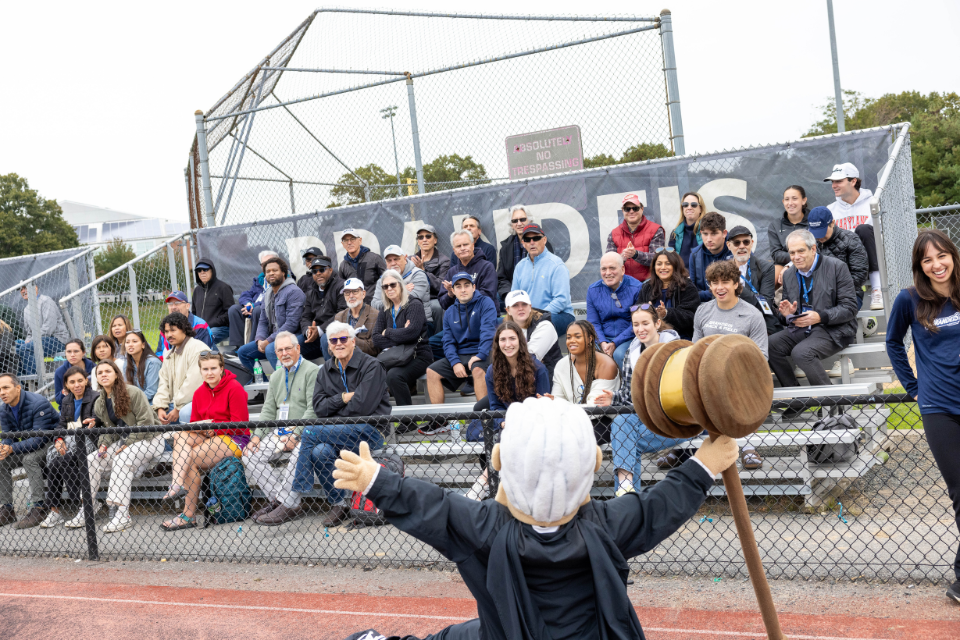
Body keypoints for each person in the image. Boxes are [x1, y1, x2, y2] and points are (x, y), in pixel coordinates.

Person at [332, 397, 739, 640]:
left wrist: (376, 482)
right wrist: (703, 465)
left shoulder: (485, 527)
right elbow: (659, 508)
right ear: (594, 463)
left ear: (499, 462)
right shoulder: (605, 524)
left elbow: (433, 506)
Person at [886, 229, 960, 604]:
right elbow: (892, 342)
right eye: (927, 260)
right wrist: (914, 387)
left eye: (941, 255)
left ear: (952, 255)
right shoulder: (909, 299)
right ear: (920, 266)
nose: (936, 264)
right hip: (939, 408)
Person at [291, 321, 390, 527]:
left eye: (344, 339)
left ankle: (299, 486)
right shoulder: (325, 370)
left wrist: (333, 409)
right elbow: (319, 408)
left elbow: (363, 408)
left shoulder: (372, 366)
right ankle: (340, 504)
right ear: (328, 345)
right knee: (319, 451)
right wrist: (344, 398)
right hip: (335, 434)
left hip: (371, 432)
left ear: (353, 342)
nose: (339, 343)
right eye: (333, 340)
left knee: (309, 431)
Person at [594, 304, 691, 494]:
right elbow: (629, 396)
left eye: (645, 323)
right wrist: (613, 398)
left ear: (657, 323)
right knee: (622, 421)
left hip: (679, 420)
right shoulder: (632, 352)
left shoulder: (677, 351)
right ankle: (626, 487)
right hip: (645, 419)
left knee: (626, 443)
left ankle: (626, 499)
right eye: (636, 325)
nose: (640, 329)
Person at [692, 260, 767, 470]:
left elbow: (761, 357)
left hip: (740, 377)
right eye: (714, 283)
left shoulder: (753, 315)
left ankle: (748, 448)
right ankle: (682, 448)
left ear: (736, 284)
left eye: (725, 282)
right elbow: (694, 349)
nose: (719, 288)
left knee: (740, 390)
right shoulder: (702, 311)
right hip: (707, 377)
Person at [161, 351, 250, 531]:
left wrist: (213, 429)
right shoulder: (200, 392)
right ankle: (177, 484)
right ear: (200, 371)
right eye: (205, 369)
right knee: (180, 435)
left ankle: (188, 514)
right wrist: (202, 429)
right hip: (210, 436)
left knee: (190, 459)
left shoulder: (234, 387)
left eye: (213, 368)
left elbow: (240, 424)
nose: (209, 373)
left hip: (235, 437)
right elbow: (195, 423)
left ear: (221, 369)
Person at [67, 360, 158, 533]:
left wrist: (127, 443)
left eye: (108, 371)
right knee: (92, 459)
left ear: (116, 374)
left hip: (150, 439)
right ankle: (89, 507)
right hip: (126, 441)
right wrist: (103, 445)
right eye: (100, 372)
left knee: (121, 459)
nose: (103, 374)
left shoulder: (133, 392)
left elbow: (147, 423)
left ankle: (122, 514)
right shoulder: (100, 402)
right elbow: (111, 430)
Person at [464, 322, 551, 501]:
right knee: (506, 432)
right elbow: (495, 407)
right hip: (507, 423)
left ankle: (483, 482)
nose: (508, 344)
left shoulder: (538, 369)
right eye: (503, 339)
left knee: (508, 434)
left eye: (512, 338)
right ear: (497, 343)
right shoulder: (492, 371)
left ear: (520, 341)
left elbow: (543, 405)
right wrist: (503, 421)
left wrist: (517, 421)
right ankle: (499, 486)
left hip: (533, 423)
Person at [243, 331, 318, 526]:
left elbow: (313, 409)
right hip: (279, 432)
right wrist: (257, 437)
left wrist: (296, 434)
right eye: (279, 350)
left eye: (288, 348)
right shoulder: (276, 375)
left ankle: (285, 504)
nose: (284, 353)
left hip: (305, 431)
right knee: (250, 454)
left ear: (298, 348)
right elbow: (268, 411)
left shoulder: (312, 371)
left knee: (298, 454)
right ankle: (281, 502)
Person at [768, 230, 859, 389]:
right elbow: (787, 311)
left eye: (801, 251)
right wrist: (787, 314)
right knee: (770, 345)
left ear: (813, 249)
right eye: (792, 252)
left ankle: (832, 407)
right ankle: (797, 397)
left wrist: (821, 316)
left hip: (834, 329)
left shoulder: (837, 267)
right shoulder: (789, 274)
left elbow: (850, 308)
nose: (796, 257)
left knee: (801, 353)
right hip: (802, 327)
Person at [425, 273, 497, 414]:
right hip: (461, 354)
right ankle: (440, 421)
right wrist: (455, 362)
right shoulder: (450, 311)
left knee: (477, 370)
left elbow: (488, 332)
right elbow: (448, 341)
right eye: (458, 286)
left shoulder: (485, 302)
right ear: (452, 290)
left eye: (466, 285)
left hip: (485, 351)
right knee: (431, 371)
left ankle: (486, 421)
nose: (463, 290)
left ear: (473, 287)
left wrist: (480, 355)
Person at [39, 365, 98, 529]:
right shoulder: (67, 400)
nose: (77, 385)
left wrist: (70, 437)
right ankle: (59, 511)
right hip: (70, 441)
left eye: (80, 380)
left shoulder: (95, 397)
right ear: (66, 385)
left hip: (88, 441)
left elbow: (95, 424)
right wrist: (58, 439)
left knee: (61, 461)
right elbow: (61, 425)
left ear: (86, 381)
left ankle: (81, 508)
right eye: (72, 382)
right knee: (57, 461)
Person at [0, 373, 57, 529]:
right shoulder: (4, 409)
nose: (2, 392)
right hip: (28, 444)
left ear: (18, 388)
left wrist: (12, 448)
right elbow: (8, 436)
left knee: (29, 459)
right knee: (1, 461)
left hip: (52, 444)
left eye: (6, 387)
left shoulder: (38, 403)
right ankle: (7, 509)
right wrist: (4, 447)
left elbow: (40, 439)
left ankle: (39, 507)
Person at [371, 270, 434, 407]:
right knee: (371, 371)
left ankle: (407, 419)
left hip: (418, 355)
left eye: (392, 285)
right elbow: (375, 338)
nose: (389, 289)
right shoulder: (385, 309)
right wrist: (401, 333)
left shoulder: (414, 304)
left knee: (394, 376)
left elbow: (411, 333)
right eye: (385, 286)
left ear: (401, 285)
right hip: (395, 355)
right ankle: (377, 419)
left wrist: (387, 332)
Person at [825, 162, 883, 310]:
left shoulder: (873, 203)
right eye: (833, 182)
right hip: (844, 262)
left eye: (839, 181)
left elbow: (882, 236)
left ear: (853, 181)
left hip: (870, 258)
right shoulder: (830, 210)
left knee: (864, 229)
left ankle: (877, 289)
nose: (834, 185)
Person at [238, 255, 305, 372]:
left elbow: (292, 325)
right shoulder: (268, 294)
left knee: (270, 349)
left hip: (293, 336)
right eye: (268, 271)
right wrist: (259, 340)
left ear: (284, 273)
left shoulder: (294, 292)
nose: (271, 273)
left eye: (275, 270)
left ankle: (287, 381)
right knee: (243, 352)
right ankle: (270, 384)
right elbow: (263, 321)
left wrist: (268, 340)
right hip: (273, 338)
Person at [511, 223, 574, 336]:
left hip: (560, 315)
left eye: (536, 238)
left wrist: (537, 316)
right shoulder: (520, 267)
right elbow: (514, 298)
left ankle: (533, 353)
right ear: (523, 243)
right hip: (529, 316)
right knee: (502, 324)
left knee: (542, 325)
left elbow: (561, 300)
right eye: (527, 239)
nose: (532, 242)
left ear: (544, 240)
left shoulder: (557, 265)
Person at [586, 252, 643, 369]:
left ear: (622, 269)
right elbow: (593, 322)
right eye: (604, 269)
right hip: (602, 338)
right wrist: (602, 342)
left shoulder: (636, 288)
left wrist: (615, 343)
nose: (608, 273)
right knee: (586, 354)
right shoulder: (593, 290)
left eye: (612, 268)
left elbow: (637, 323)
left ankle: (625, 387)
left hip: (628, 338)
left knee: (619, 354)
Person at [633, 249, 701, 340]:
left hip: (679, 337)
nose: (663, 267)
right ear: (654, 267)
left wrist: (666, 314)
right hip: (650, 337)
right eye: (659, 264)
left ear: (676, 266)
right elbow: (637, 313)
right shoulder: (647, 287)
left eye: (668, 263)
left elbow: (691, 317)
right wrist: (647, 312)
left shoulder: (687, 286)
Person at [152, 312, 206, 426]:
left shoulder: (197, 348)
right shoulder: (169, 354)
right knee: (151, 414)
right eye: (166, 331)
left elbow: (193, 384)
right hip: (176, 404)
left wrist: (178, 408)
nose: (169, 335)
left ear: (184, 329)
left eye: (173, 330)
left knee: (184, 412)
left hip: (197, 403)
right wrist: (160, 407)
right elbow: (164, 383)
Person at [549, 320, 620, 405]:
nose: (572, 340)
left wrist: (561, 405)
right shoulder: (562, 365)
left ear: (590, 338)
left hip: (603, 417)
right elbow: (557, 399)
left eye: (577, 337)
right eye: (568, 337)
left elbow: (596, 409)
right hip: (570, 416)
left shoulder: (606, 365)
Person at [727, 225, 781, 335]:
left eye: (746, 242)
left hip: (760, 322)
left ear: (751, 243)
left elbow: (765, 305)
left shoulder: (766, 267)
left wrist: (737, 286)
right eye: (737, 243)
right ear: (729, 245)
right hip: (731, 321)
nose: (742, 246)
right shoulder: (723, 269)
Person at [496, 205, 554, 305]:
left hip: (538, 293)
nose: (519, 223)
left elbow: (548, 274)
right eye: (515, 221)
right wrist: (510, 294)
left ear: (530, 221)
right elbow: (502, 277)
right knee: (496, 298)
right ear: (511, 225)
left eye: (522, 219)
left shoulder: (542, 244)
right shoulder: (505, 248)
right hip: (513, 293)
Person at [225, 250, 279, 353]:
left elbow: (274, 298)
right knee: (234, 309)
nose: (266, 266)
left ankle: (254, 346)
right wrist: (248, 304)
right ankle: (239, 347)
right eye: (263, 264)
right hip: (253, 307)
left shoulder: (281, 277)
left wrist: (254, 306)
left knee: (258, 310)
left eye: (269, 262)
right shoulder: (260, 279)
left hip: (270, 311)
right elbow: (246, 294)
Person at [605, 193, 664, 282]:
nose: (631, 211)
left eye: (635, 208)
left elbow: (658, 259)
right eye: (627, 209)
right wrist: (621, 258)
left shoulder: (656, 230)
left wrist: (636, 254)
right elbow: (608, 263)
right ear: (622, 211)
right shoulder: (614, 233)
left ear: (642, 209)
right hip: (623, 284)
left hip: (649, 283)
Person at [503, 290, 562, 379]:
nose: (520, 308)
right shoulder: (506, 329)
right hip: (521, 377)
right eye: (515, 305)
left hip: (548, 379)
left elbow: (529, 359)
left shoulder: (545, 326)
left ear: (530, 307)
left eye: (524, 304)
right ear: (508, 310)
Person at [15, 283, 69, 378]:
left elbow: (49, 327)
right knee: (15, 346)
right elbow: (29, 333)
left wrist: (31, 340)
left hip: (56, 339)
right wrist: (29, 340)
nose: (23, 291)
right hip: (37, 340)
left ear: (35, 288)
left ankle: (37, 380)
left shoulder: (46, 301)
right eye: (21, 290)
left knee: (24, 349)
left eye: (25, 288)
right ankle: (24, 383)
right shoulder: (26, 310)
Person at [371, 245, 432, 327]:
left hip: (419, 322)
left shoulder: (418, 274)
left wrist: (390, 294)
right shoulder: (382, 280)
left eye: (396, 259)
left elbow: (411, 301)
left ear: (405, 258)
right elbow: (374, 304)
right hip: (390, 323)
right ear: (385, 263)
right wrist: (403, 290)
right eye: (389, 261)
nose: (393, 263)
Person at [300, 255, 347, 361]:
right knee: (292, 345)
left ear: (330, 270)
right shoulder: (311, 291)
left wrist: (320, 329)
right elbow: (305, 317)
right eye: (314, 271)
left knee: (326, 339)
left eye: (322, 269)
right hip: (315, 335)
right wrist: (308, 332)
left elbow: (342, 313)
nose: (318, 273)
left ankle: (333, 375)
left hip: (337, 331)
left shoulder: (341, 286)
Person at [439, 230, 498, 310]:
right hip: (459, 316)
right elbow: (443, 304)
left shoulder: (487, 267)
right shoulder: (452, 272)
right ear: (454, 251)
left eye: (465, 244)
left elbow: (487, 296)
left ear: (473, 245)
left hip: (483, 314)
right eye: (458, 246)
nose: (462, 248)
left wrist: (458, 292)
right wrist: (450, 293)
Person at [324, 279, 379, 359]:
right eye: (347, 293)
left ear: (363, 294)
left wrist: (349, 340)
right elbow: (330, 348)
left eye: (355, 291)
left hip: (364, 362)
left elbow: (375, 348)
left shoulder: (375, 315)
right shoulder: (339, 316)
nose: (351, 296)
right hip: (342, 360)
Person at [410, 223, 449, 335]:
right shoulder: (410, 260)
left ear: (435, 240)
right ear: (418, 241)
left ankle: (438, 341)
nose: (424, 239)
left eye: (428, 236)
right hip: (414, 297)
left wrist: (423, 271)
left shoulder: (444, 261)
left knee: (437, 307)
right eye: (421, 237)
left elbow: (441, 286)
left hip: (433, 298)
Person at [768, 185, 810, 285]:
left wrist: (793, 263)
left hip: (809, 261)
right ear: (783, 202)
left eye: (794, 198)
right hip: (783, 264)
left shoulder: (813, 221)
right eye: (787, 199)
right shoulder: (775, 225)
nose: (790, 203)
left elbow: (816, 250)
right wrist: (792, 260)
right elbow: (776, 254)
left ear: (803, 201)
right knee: (771, 277)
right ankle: (769, 301)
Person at [687, 212, 733, 301]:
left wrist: (703, 294)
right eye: (705, 234)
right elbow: (692, 292)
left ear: (724, 233)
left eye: (714, 234)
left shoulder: (735, 251)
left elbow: (737, 289)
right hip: (704, 306)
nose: (709, 239)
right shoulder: (695, 255)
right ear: (701, 233)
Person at [192, 258, 235, 346]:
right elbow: (194, 313)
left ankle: (217, 359)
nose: (202, 272)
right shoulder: (197, 291)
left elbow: (230, 313)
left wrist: (211, 323)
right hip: (201, 328)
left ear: (212, 271)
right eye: (199, 270)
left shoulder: (223, 288)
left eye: (205, 269)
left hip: (221, 328)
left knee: (205, 337)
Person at [337, 229, 387, 303]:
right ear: (343, 244)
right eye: (346, 240)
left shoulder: (374, 258)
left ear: (360, 240)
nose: (349, 243)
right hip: (355, 308)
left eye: (352, 239)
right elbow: (342, 290)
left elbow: (387, 280)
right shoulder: (343, 266)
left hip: (375, 307)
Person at [156, 291, 213, 355]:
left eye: (177, 303)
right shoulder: (166, 327)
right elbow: (160, 353)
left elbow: (204, 355)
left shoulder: (200, 326)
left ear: (187, 306)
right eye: (170, 304)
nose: (173, 307)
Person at [667, 191, 705, 266]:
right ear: (682, 208)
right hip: (681, 276)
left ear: (700, 209)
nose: (689, 208)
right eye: (685, 205)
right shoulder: (675, 233)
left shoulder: (707, 231)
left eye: (694, 205)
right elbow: (672, 261)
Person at [123, 330, 162, 403]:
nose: (130, 345)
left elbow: (151, 392)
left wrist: (132, 403)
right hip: (136, 403)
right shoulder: (126, 363)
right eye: (127, 342)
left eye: (134, 341)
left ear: (143, 345)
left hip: (153, 403)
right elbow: (127, 388)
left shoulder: (153, 363)